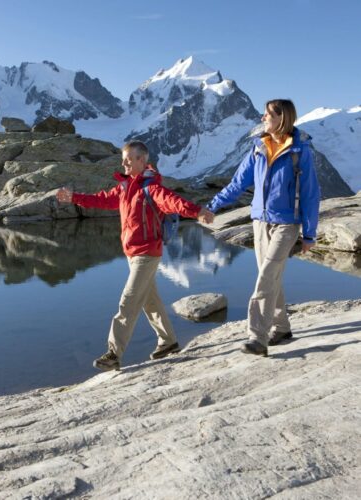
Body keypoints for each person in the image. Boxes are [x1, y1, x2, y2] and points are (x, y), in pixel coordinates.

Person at [56, 141, 214, 371]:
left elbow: (172, 201)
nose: (124, 163)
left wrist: (197, 211)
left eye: (129, 159)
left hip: (147, 253)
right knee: (150, 302)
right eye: (123, 159)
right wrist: (74, 198)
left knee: (128, 301)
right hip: (133, 254)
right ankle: (168, 342)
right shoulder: (124, 188)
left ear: (142, 160)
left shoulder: (152, 188)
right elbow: (101, 199)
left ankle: (114, 353)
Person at [205, 99, 320, 356]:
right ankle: (281, 327)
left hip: (287, 223)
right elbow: (237, 184)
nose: (262, 118)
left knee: (266, 276)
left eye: (267, 114)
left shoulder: (300, 151)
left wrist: (309, 233)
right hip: (259, 222)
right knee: (271, 276)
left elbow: (311, 194)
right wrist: (212, 206)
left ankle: (257, 337)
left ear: (282, 118)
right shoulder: (258, 147)